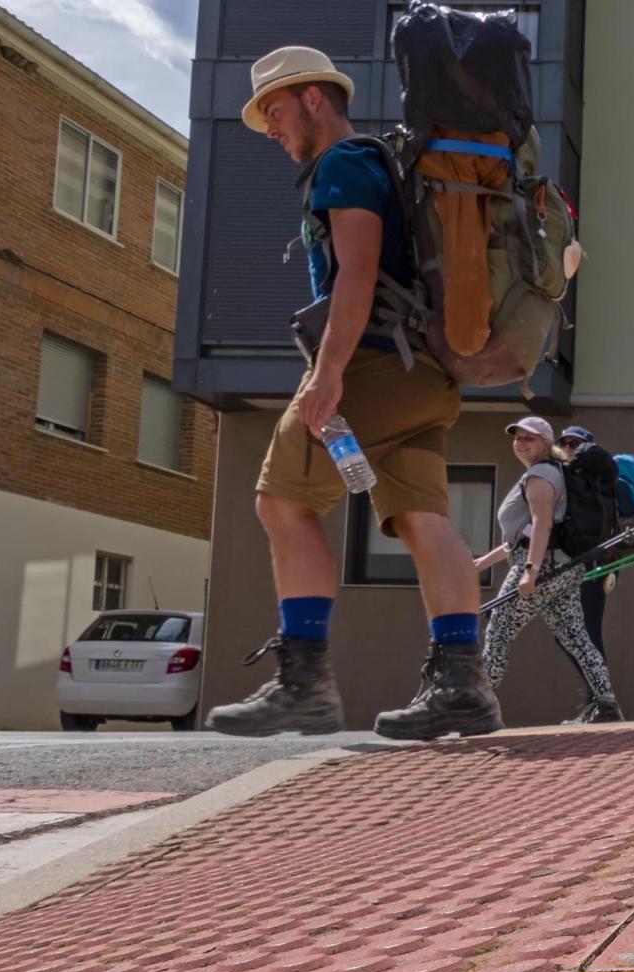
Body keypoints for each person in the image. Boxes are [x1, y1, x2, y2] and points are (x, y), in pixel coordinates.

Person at [206, 47, 501, 740]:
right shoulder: (382, 165)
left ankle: (304, 683)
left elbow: (358, 270)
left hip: (370, 367)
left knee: (279, 500)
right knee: (426, 521)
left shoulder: (342, 165)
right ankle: (463, 686)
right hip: (424, 378)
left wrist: (328, 371)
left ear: (314, 98)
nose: (270, 129)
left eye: (274, 111)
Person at [474, 416, 624, 724]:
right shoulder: (553, 473)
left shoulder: (540, 476)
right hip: (565, 568)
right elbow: (525, 535)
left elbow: (542, 525)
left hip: (543, 568)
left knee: (499, 628)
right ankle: (607, 704)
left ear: (545, 443)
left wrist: (530, 571)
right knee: (576, 636)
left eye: (529, 438)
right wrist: (479, 564)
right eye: (517, 437)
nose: (521, 442)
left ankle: (479, 709)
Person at [553, 426, 613, 680]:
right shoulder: (581, 479)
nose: (568, 448)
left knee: (585, 633)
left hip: (590, 564)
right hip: (578, 564)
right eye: (565, 443)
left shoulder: (587, 479)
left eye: (575, 444)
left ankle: (600, 699)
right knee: (573, 633)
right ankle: (599, 697)